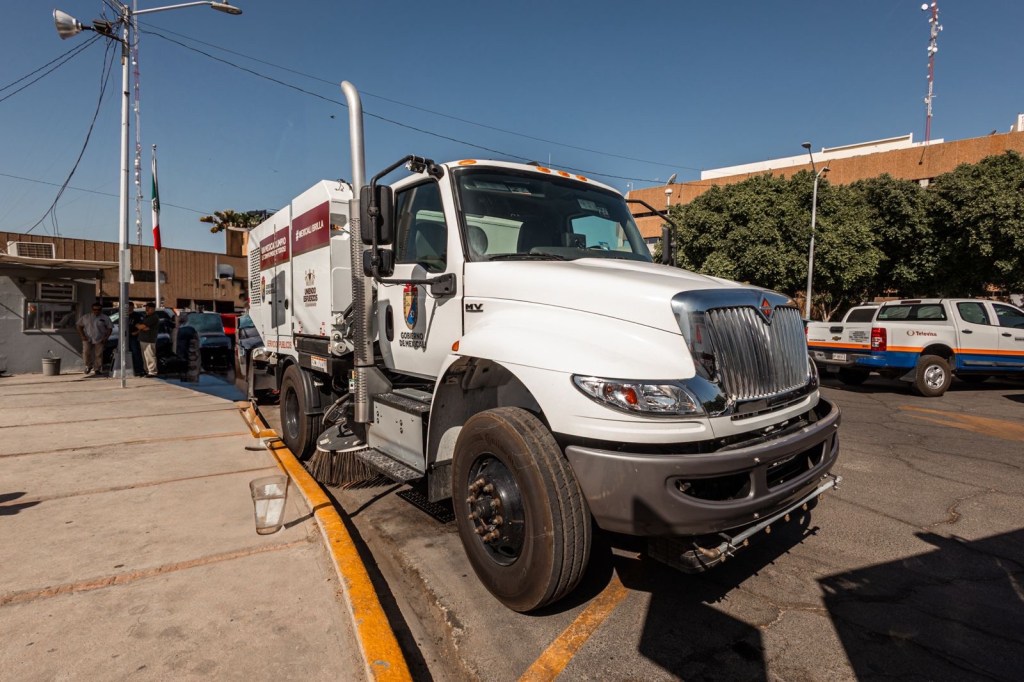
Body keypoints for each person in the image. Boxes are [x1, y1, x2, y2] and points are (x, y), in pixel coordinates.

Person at [76, 302, 112, 376]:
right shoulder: (86, 317)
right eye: (94, 309)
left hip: (100, 338)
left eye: (98, 309)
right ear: (92, 309)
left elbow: (109, 328)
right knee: (86, 352)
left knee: (98, 354)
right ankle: (88, 366)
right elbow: (79, 326)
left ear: (101, 310)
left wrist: (106, 338)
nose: (96, 311)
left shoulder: (105, 318)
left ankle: (97, 369)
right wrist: (82, 335)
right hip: (87, 338)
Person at [136, 302, 161, 377]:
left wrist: (139, 326)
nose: (146, 309)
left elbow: (141, 327)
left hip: (149, 339)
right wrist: (141, 326)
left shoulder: (154, 317)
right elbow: (142, 327)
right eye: (146, 307)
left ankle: (152, 371)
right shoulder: (146, 316)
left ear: (152, 309)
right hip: (143, 338)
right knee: (144, 356)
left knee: (150, 356)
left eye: (148, 308)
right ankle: (146, 370)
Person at [125, 301, 145, 377]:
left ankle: (139, 369)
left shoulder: (137, 315)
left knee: (135, 352)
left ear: (133, 307)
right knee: (126, 352)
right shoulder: (124, 315)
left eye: (130, 306)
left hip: (134, 336)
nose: (129, 308)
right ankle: (129, 368)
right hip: (125, 336)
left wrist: (137, 332)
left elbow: (142, 326)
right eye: (128, 307)